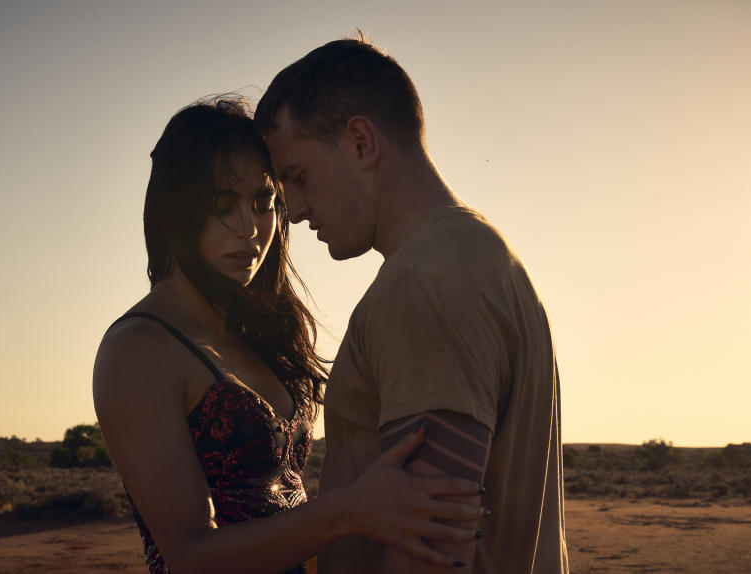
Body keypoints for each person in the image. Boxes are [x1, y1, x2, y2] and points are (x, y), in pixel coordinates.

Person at [92, 97, 487, 574]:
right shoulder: (138, 349)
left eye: (263, 203)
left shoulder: (260, 330)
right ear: (176, 209)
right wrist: (349, 510)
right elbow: (190, 556)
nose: (250, 229)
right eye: (222, 206)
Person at [255, 36, 569, 573]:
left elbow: (432, 547)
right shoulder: (484, 256)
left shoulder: (424, 282)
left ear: (360, 142)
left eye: (298, 178)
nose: (296, 211)